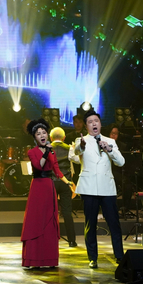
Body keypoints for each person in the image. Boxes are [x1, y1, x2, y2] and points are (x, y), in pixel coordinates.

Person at [69, 109, 125, 268]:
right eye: (90, 122)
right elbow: (75, 154)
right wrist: (81, 146)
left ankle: (120, 256)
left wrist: (109, 149)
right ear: (86, 126)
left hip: (107, 188)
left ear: (100, 124)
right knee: (90, 224)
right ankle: (92, 258)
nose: (94, 124)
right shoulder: (81, 141)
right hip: (89, 188)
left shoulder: (109, 141)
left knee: (114, 223)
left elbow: (121, 162)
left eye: (96, 121)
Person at [21, 119, 74, 268]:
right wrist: (46, 153)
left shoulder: (52, 151)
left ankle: (50, 259)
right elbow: (39, 166)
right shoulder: (32, 152)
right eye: (38, 134)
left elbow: (57, 170)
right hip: (37, 188)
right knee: (36, 221)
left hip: (49, 187)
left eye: (44, 133)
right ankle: (34, 260)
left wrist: (68, 182)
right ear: (35, 137)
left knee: (50, 221)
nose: (42, 135)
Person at [50, 126, 77, 247]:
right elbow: (77, 160)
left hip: (51, 182)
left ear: (51, 138)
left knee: (51, 212)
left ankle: (50, 239)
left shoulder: (47, 148)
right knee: (67, 212)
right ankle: (72, 240)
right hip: (65, 182)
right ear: (64, 138)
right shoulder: (69, 148)